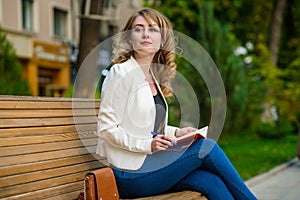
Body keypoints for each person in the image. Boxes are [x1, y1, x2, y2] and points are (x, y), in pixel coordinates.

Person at [96, 7, 257, 200]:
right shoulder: (120, 73)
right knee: (208, 148)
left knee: (210, 181)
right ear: (130, 38)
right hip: (129, 174)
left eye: (152, 29)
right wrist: (148, 144)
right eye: (138, 29)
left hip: (151, 166)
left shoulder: (152, 76)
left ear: (162, 39)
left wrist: (176, 133)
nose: (145, 34)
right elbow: (106, 129)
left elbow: (145, 125)